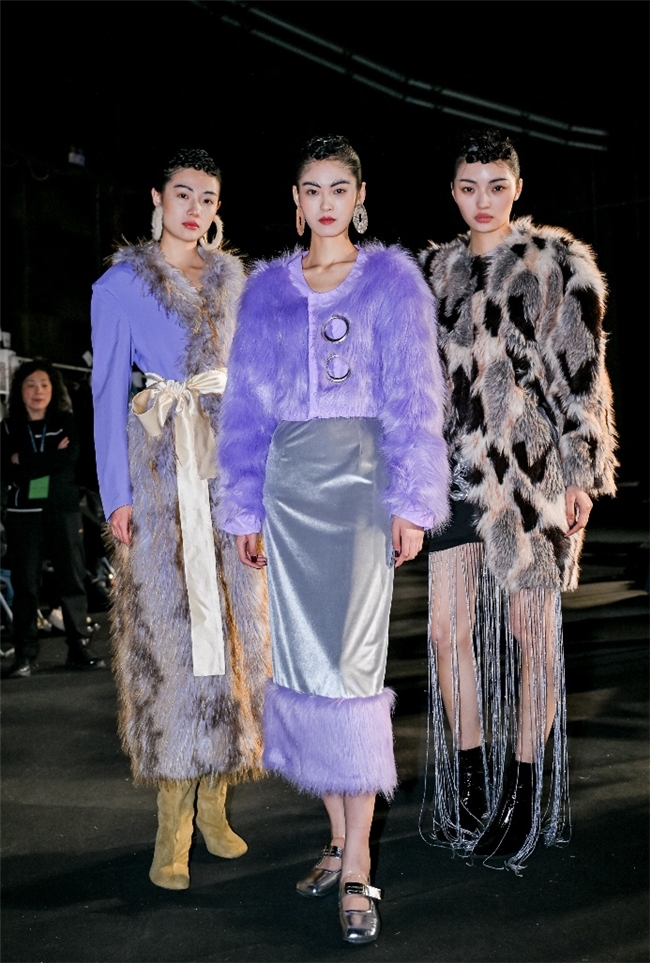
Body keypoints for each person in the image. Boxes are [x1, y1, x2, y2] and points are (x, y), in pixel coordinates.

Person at [217, 135, 449, 943]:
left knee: (353, 672)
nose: (325, 203)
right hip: (289, 493)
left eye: (338, 189)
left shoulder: (394, 283)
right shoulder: (266, 292)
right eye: (311, 189)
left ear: (359, 197)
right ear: (295, 201)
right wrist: (243, 507)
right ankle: (337, 836)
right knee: (306, 670)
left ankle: (359, 865)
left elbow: (417, 399)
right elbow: (245, 407)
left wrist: (412, 501)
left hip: (359, 490)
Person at [419, 130, 618, 872]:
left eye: (496, 186)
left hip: (531, 478)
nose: (483, 201)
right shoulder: (433, 273)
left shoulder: (555, 263)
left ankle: (524, 792)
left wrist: (581, 473)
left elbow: (584, 371)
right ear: (453, 191)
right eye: (469, 186)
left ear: (517, 189)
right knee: (446, 632)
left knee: (530, 632)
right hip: (450, 476)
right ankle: (474, 782)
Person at [90, 148, 270, 890]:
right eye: (183, 194)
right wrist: (117, 494)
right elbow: (106, 392)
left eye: (208, 198)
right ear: (157, 198)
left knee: (237, 638)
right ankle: (173, 824)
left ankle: (216, 801)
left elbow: (255, 387)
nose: (195, 209)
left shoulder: (234, 282)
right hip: (161, 474)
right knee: (170, 642)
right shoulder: (119, 286)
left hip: (230, 472)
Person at [2, 358, 105, 678]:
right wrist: (48, 459)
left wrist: (23, 460)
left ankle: (79, 647)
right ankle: (25, 655)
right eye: (31, 385)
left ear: (53, 390)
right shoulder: (8, 427)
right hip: (23, 514)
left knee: (71, 579)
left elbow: (69, 459)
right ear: (20, 390)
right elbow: (6, 468)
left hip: (62, 510)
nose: (38, 391)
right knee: (25, 584)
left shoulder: (66, 423)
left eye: (44, 385)